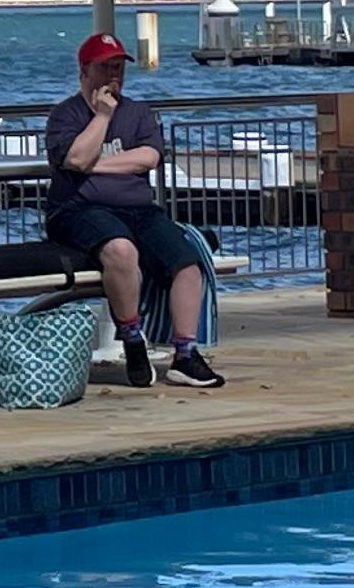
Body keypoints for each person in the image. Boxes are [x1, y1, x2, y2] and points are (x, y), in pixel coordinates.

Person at [43, 30, 222, 389]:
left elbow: (148, 157)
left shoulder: (140, 113)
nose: (114, 76)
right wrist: (102, 118)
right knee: (122, 250)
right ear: (84, 71)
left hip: (139, 209)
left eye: (119, 68)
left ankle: (185, 354)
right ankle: (133, 339)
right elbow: (75, 156)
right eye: (105, 67)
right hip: (81, 210)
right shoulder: (65, 115)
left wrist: (93, 165)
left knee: (188, 262)